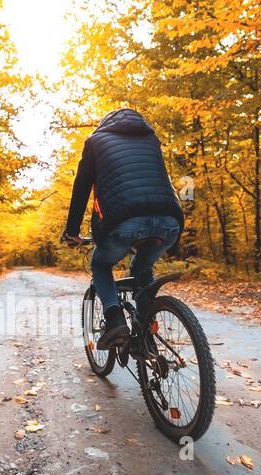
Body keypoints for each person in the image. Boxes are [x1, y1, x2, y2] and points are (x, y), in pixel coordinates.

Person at [62, 108, 184, 349]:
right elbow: (161, 181)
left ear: (105, 125)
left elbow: (82, 188)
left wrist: (72, 232)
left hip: (123, 221)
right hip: (170, 220)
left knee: (100, 263)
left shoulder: (95, 141)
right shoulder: (151, 140)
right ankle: (147, 334)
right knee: (142, 267)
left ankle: (114, 320)